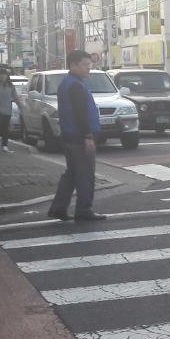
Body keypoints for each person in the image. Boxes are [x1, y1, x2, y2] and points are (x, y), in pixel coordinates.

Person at [47, 50, 106, 222]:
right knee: (85, 175)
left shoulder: (69, 83)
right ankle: (84, 209)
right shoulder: (75, 85)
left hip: (70, 136)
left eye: (90, 65)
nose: (89, 68)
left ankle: (58, 208)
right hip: (79, 138)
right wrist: (88, 136)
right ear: (72, 65)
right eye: (85, 65)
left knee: (72, 174)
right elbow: (80, 113)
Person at [0, 67, 18, 152]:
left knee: (5, 128)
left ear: (7, 76)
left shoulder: (11, 86)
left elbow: (15, 97)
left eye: (4, 75)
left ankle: (4, 144)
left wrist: (21, 105)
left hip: (7, 110)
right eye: (1, 75)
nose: (3, 77)